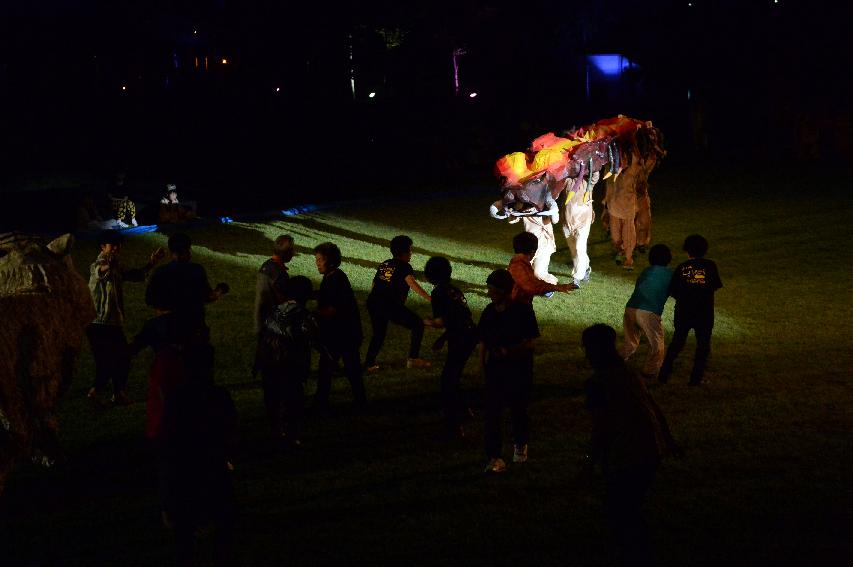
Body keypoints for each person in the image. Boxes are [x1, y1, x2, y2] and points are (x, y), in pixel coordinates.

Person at [581, 323, 678, 567]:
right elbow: (652, 408)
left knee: (621, 510)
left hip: (627, 454)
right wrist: (667, 440)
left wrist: (589, 462)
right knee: (631, 507)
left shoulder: (598, 383)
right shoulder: (629, 373)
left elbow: (601, 426)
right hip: (649, 450)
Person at [159, 346, 238, 567]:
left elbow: (167, 445)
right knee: (222, 535)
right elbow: (231, 435)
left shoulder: (175, 401)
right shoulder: (219, 398)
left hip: (184, 477)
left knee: (185, 541)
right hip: (214, 473)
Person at [85, 230, 166, 406]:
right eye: (112, 245)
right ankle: (98, 392)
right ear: (102, 247)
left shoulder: (117, 266)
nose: (116, 248)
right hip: (98, 323)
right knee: (110, 358)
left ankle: (115, 393)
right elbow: (100, 271)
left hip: (111, 323)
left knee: (121, 356)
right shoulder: (97, 264)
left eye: (118, 245)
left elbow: (135, 275)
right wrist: (110, 265)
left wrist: (152, 263)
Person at [478, 269, 540, 473]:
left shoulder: (523, 312)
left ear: (505, 291)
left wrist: (510, 350)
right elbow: (483, 341)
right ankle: (494, 457)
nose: (490, 294)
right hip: (495, 370)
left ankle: (521, 444)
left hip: (519, 370)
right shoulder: (489, 312)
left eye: (494, 291)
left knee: (518, 410)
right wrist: (481, 366)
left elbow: (531, 343)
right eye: (489, 290)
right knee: (492, 414)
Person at [256, 276, 317, 446]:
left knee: (273, 399)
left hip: (270, 365)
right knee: (293, 400)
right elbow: (312, 337)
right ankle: (291, 435)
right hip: (291, 366)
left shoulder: (274, 311)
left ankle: (276, 431)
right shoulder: (303, 315)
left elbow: (263, 336)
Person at [423, 256, 477, 439]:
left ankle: (454, 424)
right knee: (452, 376)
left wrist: (426, 322)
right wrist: (444, 338)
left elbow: (443, 320)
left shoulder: (438, 293)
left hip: (461, 338)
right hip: (469, 335)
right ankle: (464, 409)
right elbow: (462, 315)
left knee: (448, 381)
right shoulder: (453, 290)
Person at [658, 235, 723, 385]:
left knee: (677, 342)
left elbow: (673, 290)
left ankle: (664, 374)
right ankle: (696, 379)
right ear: (705, 250)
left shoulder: (681, 267)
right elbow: (715, 285)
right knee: (703, 345)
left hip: (684, 311)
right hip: (704, 313)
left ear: (687, 251)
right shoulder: (710, 266)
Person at [363, 235, 432, 371]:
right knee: (417, 324)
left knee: (379, 334)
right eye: (410, 250)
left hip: (374, 302)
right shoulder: (405, 267)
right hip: (388, 304)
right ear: (404, 252)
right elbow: (412, 283)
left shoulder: (386, 264)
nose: (411, 253)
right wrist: (430, 298)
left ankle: (369, 363)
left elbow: (375, 284)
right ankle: (413, 359)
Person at [313, 242, 368, 411]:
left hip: (341, 335)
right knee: (350, 370)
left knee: (328, 370)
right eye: (316, 259)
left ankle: (321, 405)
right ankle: (360, 402)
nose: (317, 263)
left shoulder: (335, 279)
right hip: (345, 334)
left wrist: (310, 314)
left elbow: (332, 308)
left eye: (320, 259)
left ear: (330, 260)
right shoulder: (333, 277)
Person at [145, 232, 229, 335]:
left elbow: (150, 299)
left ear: (171, 251)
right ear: (188, 250)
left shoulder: (160, 272)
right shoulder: (196, 271)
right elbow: (208, 296)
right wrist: (220, 290)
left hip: (168, 328)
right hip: (193, 327)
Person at [620, 244, 673, 379]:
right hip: (649, 312)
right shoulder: (670, 274)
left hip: (631, 307)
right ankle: (651, 371)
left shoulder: (646, 271)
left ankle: (615, 362)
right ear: (668, 259)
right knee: (657, 345)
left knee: (630, 342)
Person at [507, 231, 576, 304]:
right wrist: (556, 288)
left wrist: (557, 287)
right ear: (532, 251)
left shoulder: (520, 262)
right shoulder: (518, 265)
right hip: (517, 307)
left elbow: (533, 282)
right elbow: (532, 287)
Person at [561, 170, 599, 286]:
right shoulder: (566, 181)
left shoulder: (588, 182)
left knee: (579, 247)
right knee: (574, 250)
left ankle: (577, 277)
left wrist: (591, 160)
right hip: (567, 221)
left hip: (583, 221)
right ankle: (586, 268)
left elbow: (595, 175)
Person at [253, 235, 294, 336]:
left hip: (261, 321)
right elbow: (282, 302)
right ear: (286, 253)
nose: (294, 253)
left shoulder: (266, 265)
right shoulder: (279, 274)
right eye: (292, 250)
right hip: (272, 326)